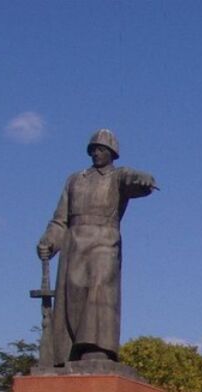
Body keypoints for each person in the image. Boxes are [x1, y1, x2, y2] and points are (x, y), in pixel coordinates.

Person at [37, 129, 156, 365]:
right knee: (73, 295)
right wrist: (50, 240)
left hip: (104, 241)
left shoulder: (117, 176)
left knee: (100, 290)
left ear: (112, 153)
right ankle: (69, 351)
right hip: (74, 242)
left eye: (101, 149)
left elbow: (134, 180)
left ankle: (97, 348)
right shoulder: (75, 179)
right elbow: (60, 219)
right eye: (93, 149)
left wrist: (143, 179)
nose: (96, 153)